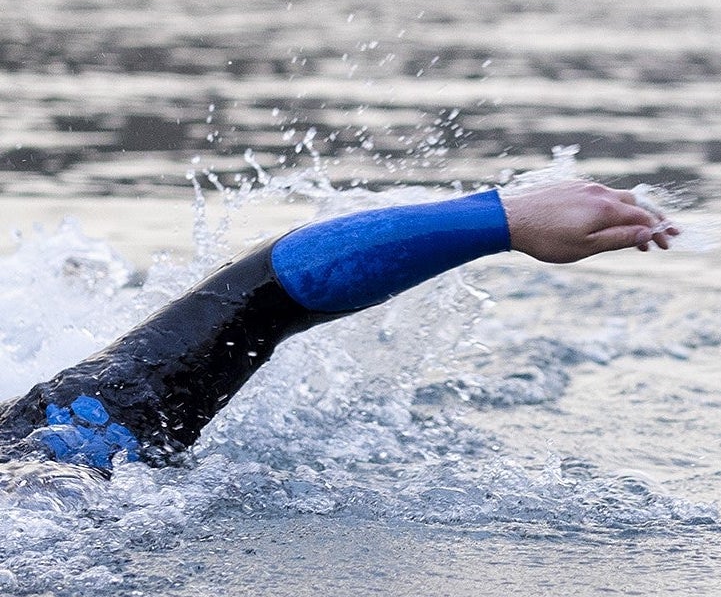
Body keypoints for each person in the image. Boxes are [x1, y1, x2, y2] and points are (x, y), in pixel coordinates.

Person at [0, 180, 677, 474]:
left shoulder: (39, 460)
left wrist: (500, 218)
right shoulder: (46, 468)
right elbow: (263, 297)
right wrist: (498, 218)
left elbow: (259, 301)